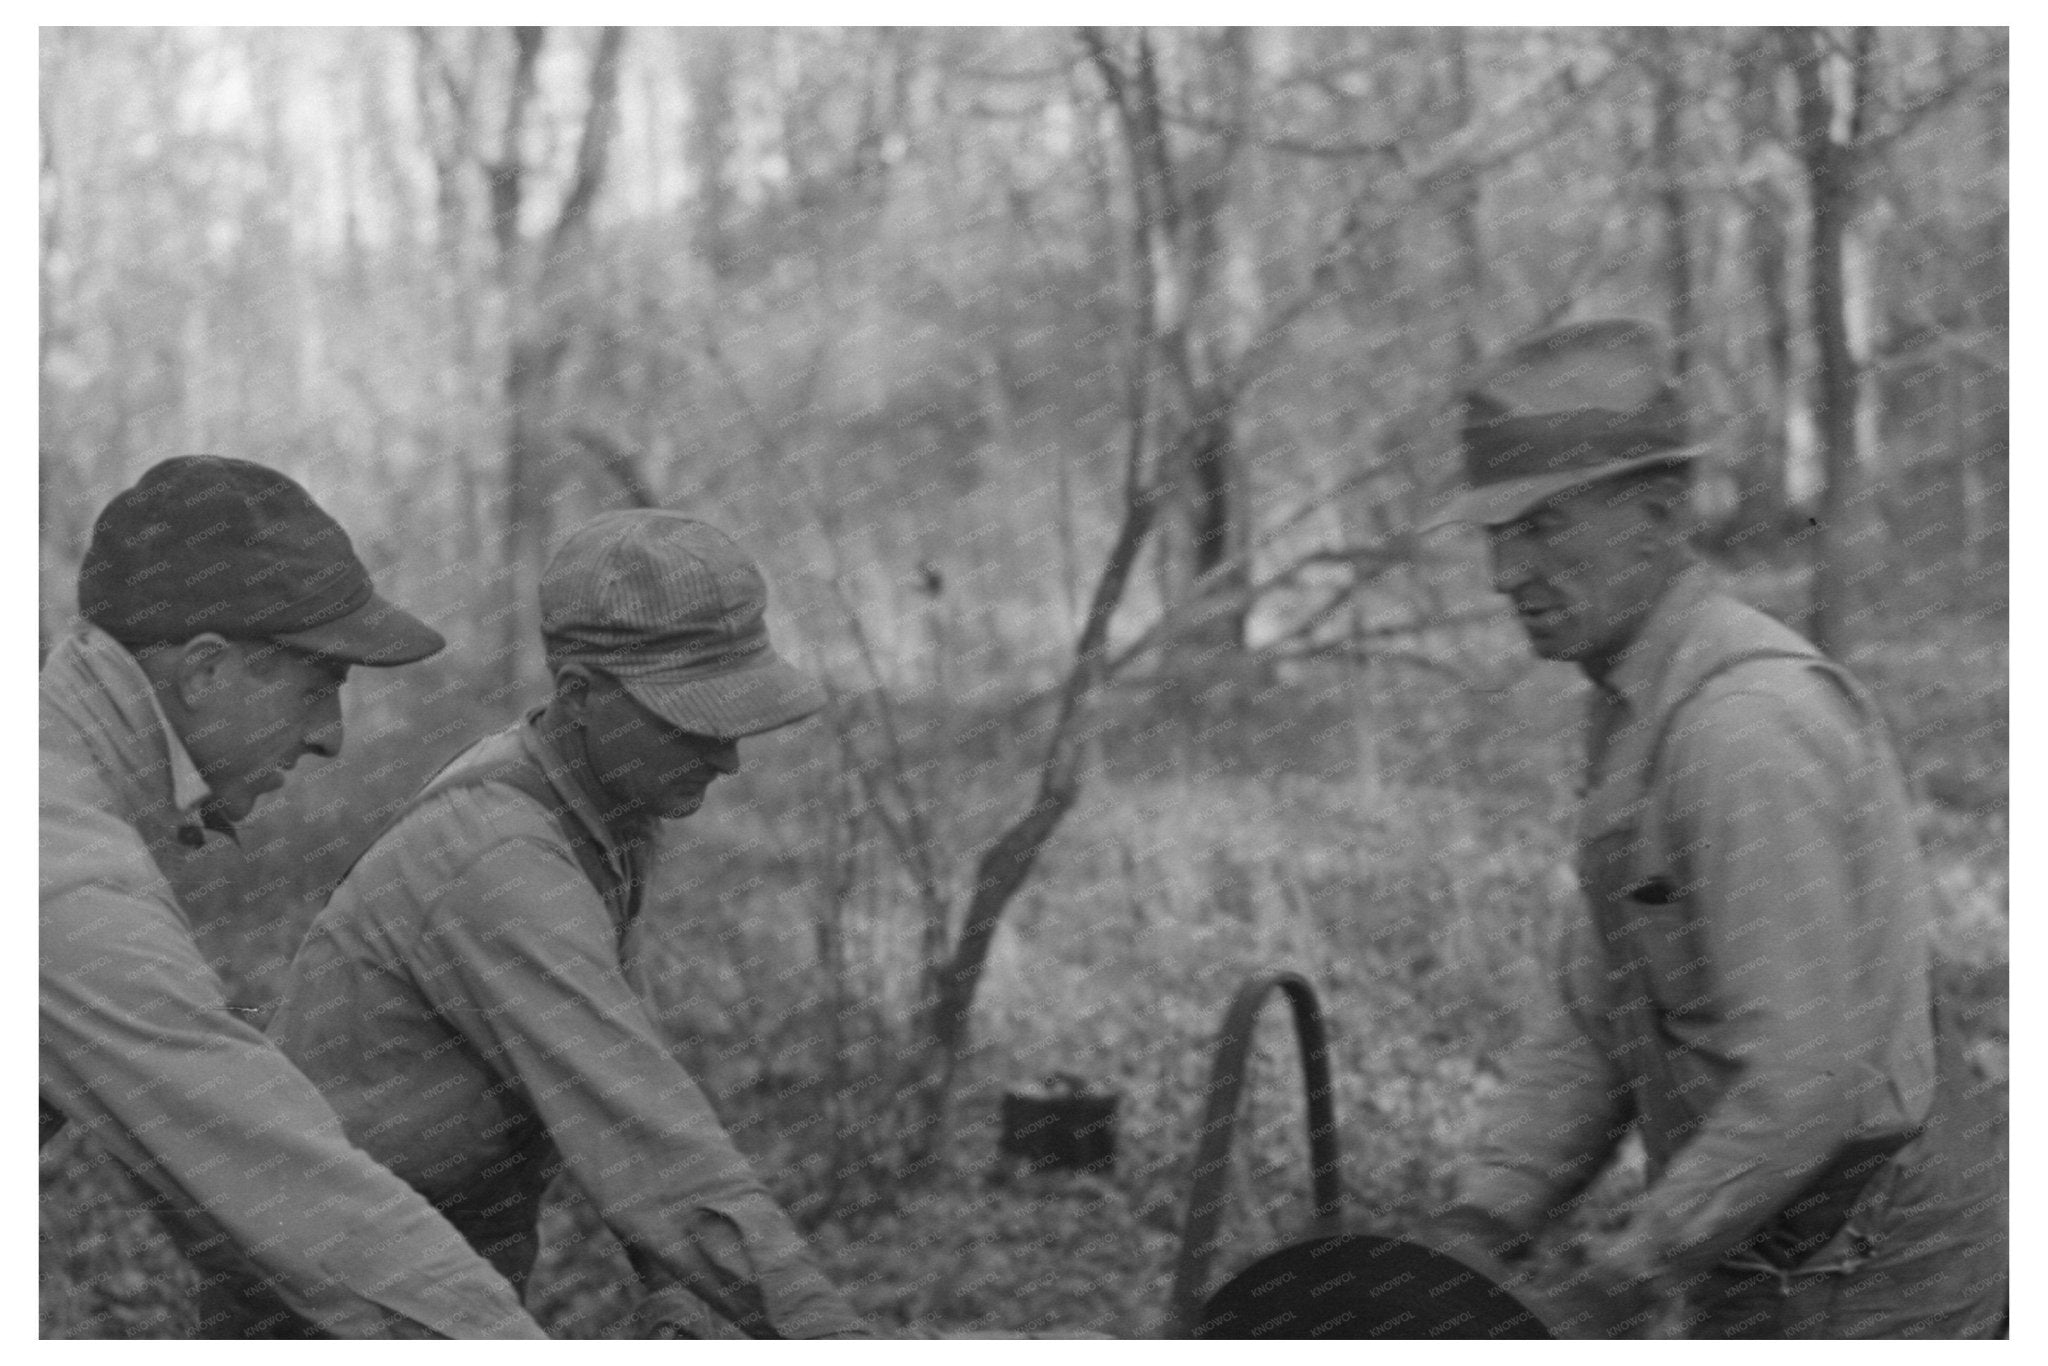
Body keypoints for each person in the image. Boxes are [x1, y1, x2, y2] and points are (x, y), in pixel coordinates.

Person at [1421, 320, 2007, 1338]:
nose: (1502, 572)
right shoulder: (1627, 711)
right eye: (1494, 534)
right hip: (1759, 1247)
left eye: (1543, 525)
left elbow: (1805, 1081)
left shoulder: (1744, 730)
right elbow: (1599, 1003)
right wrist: (1487, 1212)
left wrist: (1627, 1269)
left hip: (1877, 1269)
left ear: (1655, 514)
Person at [207, 510, 870, 1339]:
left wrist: (677, 1287)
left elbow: (622, 1084)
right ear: (586, 696)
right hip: (328, 1297)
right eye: (695, 720)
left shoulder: (604, 808)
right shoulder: (501, 859)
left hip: (440, 1267)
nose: (726, 755)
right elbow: (648, 1142)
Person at [41, 456, 546, 1338]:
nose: (330, 737)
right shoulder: (65, 875)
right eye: (319, 687)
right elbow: (277, 1186)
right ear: (203, 672)